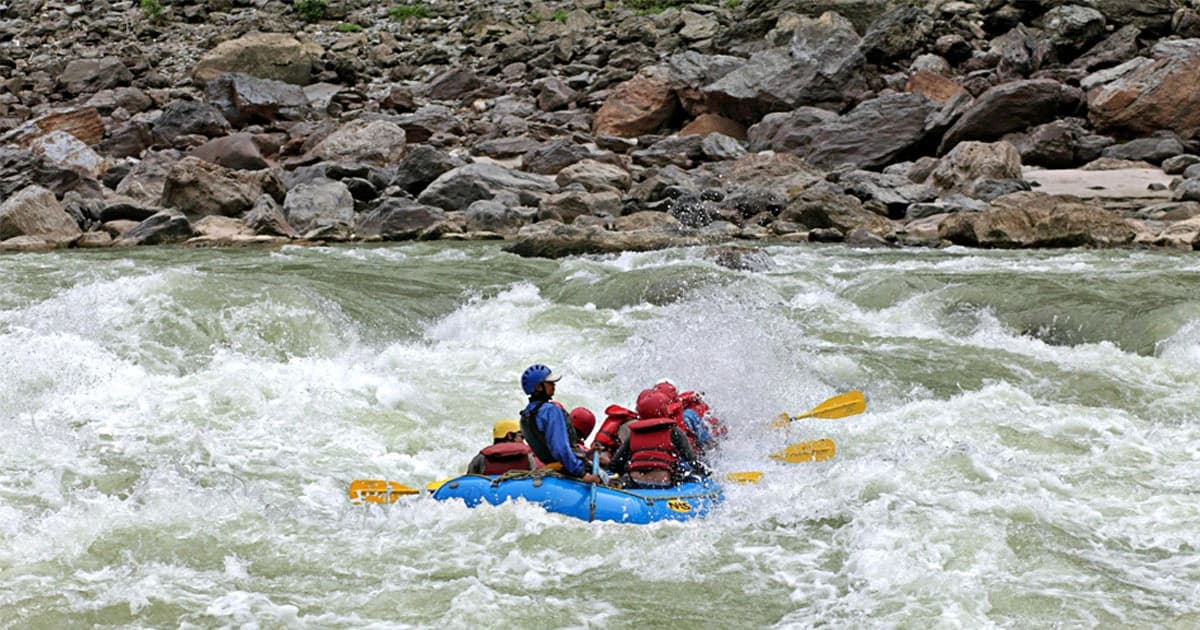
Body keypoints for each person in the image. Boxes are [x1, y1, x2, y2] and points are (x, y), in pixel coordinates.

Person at [517, 364, 603, 484]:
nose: (554, 386)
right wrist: (582, 474)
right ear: (538, 387)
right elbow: (560, 449)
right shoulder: (551, 410)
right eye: (550, 383)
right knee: (606, 478)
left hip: (551, 469)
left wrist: (587, 453)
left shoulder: (525, 415)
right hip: (569, 470)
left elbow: (547, 447)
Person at [609, 390, 710, 489]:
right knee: (685, 473)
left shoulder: (634, 434)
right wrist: (705, 472)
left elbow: (616, 463)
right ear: (664, 410)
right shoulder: (673, 431)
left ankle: (621, 484)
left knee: (626, 476)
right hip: (663, 481)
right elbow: (691, 459)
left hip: (635, 481)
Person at [466, 419, 537, 475]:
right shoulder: (527, 457)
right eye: (521, 436)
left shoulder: (481, 458)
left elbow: (469, 479)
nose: (523, 440)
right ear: (510, 435)